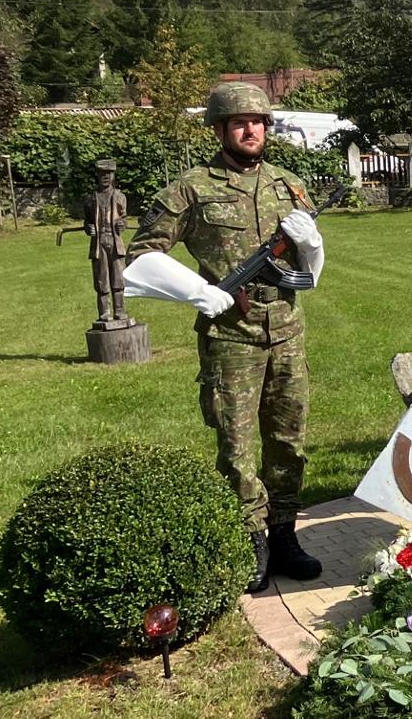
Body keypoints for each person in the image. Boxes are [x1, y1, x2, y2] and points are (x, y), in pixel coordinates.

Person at [124, 82, 328, 592]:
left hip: (286, 331)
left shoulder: (289, 185)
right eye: (239, 121)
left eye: (257, 120)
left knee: (289, 442)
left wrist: (312, 244)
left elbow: (310, 272)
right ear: (219, 129)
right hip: (230, 338)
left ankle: (285, 534)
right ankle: (251, 540)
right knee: (236, 445)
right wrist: (200, 291)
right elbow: (141, 255)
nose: (250, 128)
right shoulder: (191, 188)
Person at [83, 158, 130, 324]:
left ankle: (120, 311)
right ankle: (104, 313)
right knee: (102, 280)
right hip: (98, 243)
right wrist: (89, 228)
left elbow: (124, 218)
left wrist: (122, 224)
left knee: (118, 279)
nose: (105, 177)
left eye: (108, 173)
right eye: (102, 173)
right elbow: (87, 221)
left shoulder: (119, 197)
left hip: (115, 242)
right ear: (97, 175)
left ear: (113, 175)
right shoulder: (91, 198)